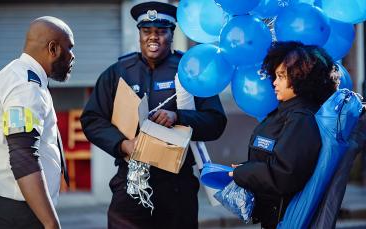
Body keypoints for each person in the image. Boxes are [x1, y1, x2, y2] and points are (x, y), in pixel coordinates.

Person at [80, 1, 227, 229]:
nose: (153, 37)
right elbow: (92, 119)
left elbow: (216, 122)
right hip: (131, 181)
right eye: (147, 31)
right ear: (139, 33)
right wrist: (123, 145)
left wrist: (179, 117)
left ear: (172, 33)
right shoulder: (118, 72)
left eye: (161, 31)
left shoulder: (189, 71)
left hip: (177, 186)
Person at [0, 16, 75, 229]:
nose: (73, 57)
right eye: (69, 48)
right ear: (53, 48)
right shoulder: (25, 86)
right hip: (9, 213)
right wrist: (50, 222)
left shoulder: (12, 77)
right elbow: (23, 156)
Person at [229, 41, 338, 229]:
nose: (274, 82)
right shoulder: (288, 111)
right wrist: (247, 167)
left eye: (281, 76)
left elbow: (285, 175)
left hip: (287, 219)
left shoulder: (302, 118)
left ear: (300, 78)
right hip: (276, 217)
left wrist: (242, 173)